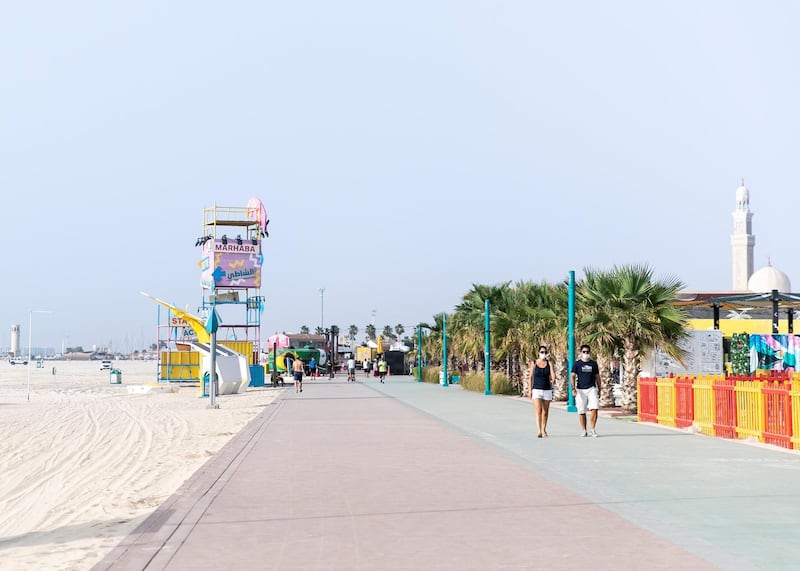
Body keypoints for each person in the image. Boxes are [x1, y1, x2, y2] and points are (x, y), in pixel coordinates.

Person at [571, 344, 600, 437]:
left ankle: (592, 429)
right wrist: (573, 388)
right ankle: (584, 430)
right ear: (581, 352)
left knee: (594, 407)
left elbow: (597, 377)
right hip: (580, 390)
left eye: (587, 352)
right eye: (584, 352)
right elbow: (572, 376)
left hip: (592, 388)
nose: (586, 354)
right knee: (581, 410)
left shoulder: (593, 364)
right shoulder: (577, 364)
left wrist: (600, 388)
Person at [528, 345, 554, 438]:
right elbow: (530, 376)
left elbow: (552, 374)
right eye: (542, 352)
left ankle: (544, 429)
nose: (543, 354)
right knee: (538, 410)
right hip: (536, 389)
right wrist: (529, 389)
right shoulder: (534, 363)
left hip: (547, 389)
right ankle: (539, 430)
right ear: (538, 353)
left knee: (545, 411)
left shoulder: (549, 363)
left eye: (545, 352)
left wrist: (553, 379)